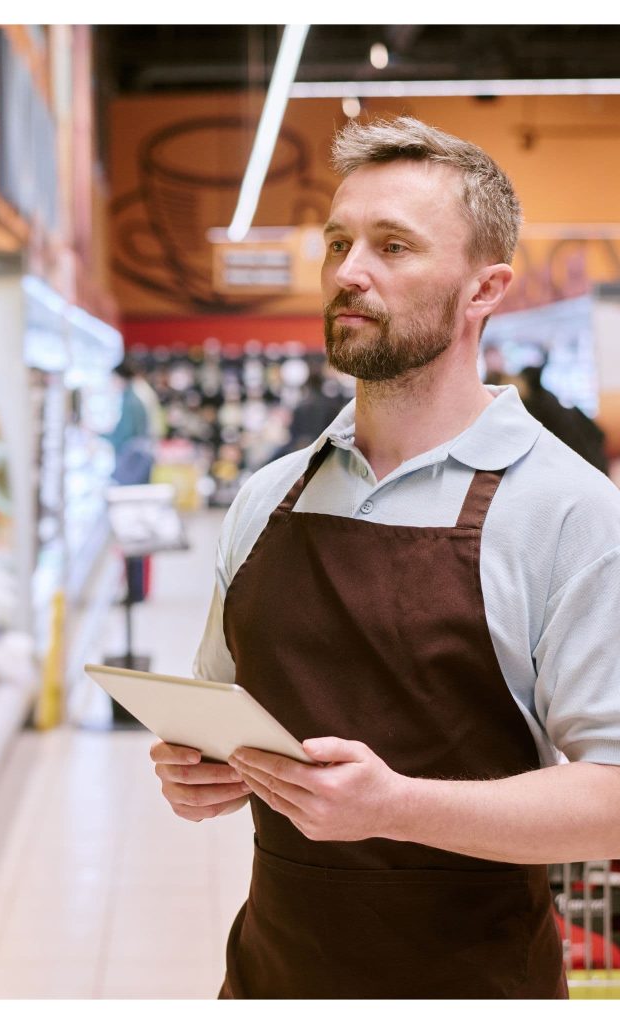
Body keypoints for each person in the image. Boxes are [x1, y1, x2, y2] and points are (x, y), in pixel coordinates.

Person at [149, 116, 620, 999]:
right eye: (338, 243)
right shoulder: (268, 498)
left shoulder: (568, 512)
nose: (348, 272)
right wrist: (201, 769)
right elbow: (223, 711)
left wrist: (396, 806)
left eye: (393, 245)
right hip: (269, 981)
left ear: (485, 289)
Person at [513, 361, 609, 474]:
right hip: (596, 465)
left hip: (582, 468)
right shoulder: (549, 399)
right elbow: (600, 435)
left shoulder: (534, 406)